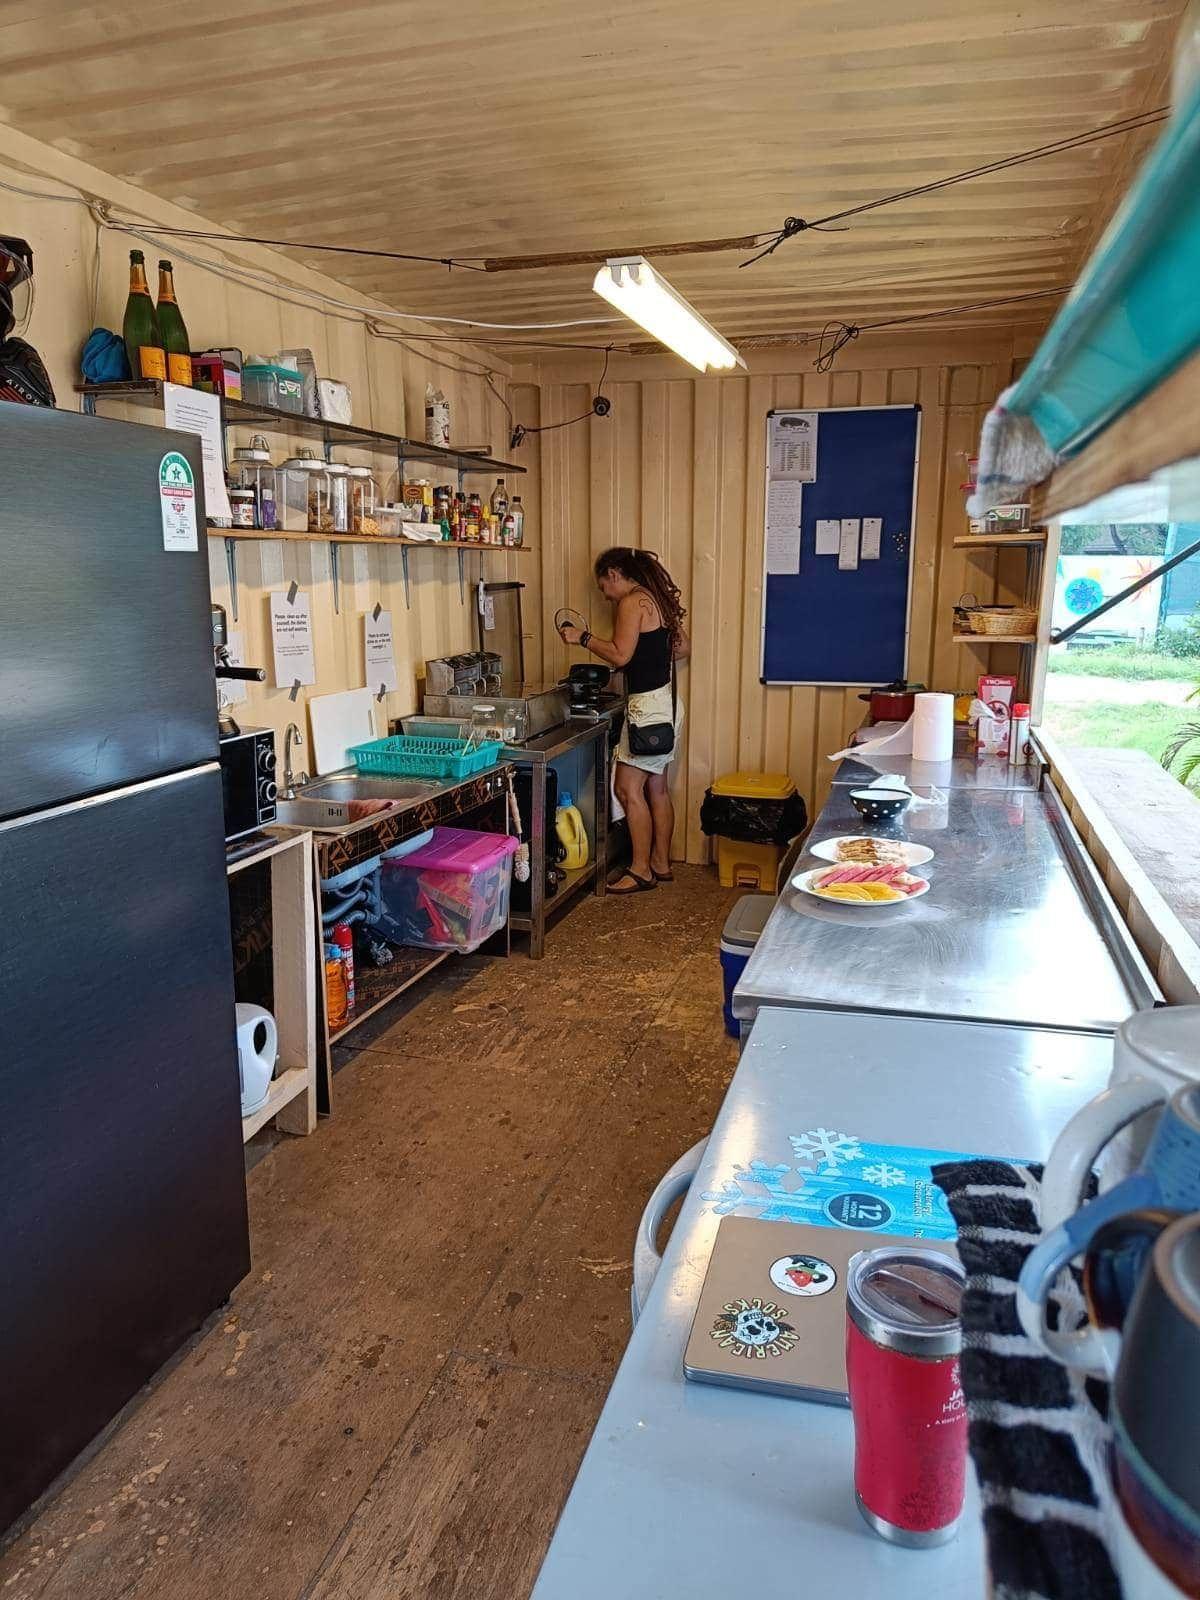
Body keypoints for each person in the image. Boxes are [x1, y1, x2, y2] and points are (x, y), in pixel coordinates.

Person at [558, 547, 689, 894]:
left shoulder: (632, 601)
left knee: (626, 789)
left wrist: (581, 638)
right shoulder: (656, 598)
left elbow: (619, 653)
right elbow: (683, 647)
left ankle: (641, 869)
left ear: (614, 574)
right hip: (668, 703)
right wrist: (651, 653)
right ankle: (661, 863)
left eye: (603, 586)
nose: (605, 594)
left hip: (647, 708)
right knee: (656, 788)